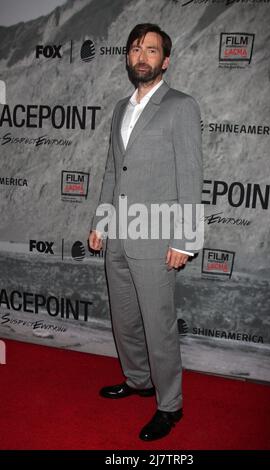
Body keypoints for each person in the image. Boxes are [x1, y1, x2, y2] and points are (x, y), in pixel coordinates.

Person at [89, 23, 203, 441]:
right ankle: (138, 380)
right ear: (128, 58)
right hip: (118, 233)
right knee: (124, 319)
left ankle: (170, 405)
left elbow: (191, 177)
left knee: (158, 326)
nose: (142, 56)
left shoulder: (181, 106)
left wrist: (185, 239)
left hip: (157, 237)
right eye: (136, 49)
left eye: (151, 50)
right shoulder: (121, 108)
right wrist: (101, 222)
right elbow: (110, 171)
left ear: (165, 60)